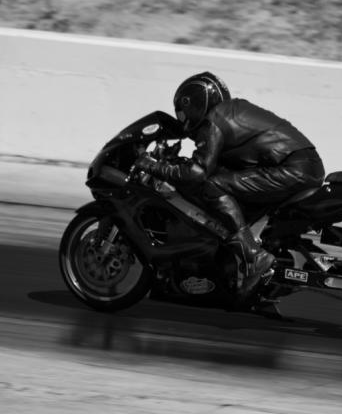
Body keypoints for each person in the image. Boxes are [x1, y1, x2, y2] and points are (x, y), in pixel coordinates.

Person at [137, 72, 325, 305]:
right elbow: (217, 164)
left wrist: (152, 165)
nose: (183, 119)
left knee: (213, 186)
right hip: (300, 165)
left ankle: (253, 256)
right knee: (221, 180)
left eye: (183, 112)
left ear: (196, 102)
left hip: (293, 169)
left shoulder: (213, 120)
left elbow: (198, 173)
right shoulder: (228, 113)